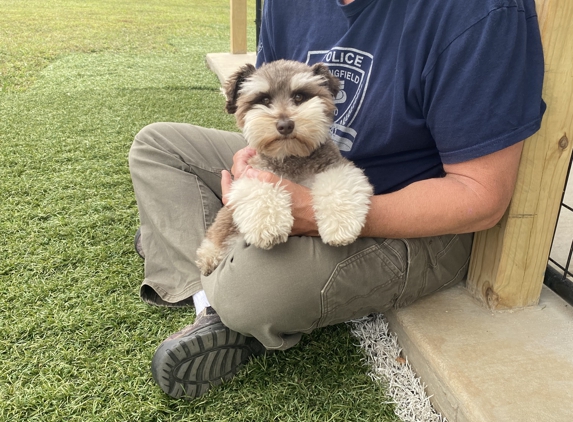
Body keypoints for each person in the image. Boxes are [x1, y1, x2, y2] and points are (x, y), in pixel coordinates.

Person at [129, 0, 545, 400]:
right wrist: (249, 162)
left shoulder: (482, 10)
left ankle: (190, 253)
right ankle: (206, 303)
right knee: (158, 146)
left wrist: (308, 212)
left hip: (411, 211)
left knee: (253, 289)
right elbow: (269, 106)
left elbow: (481, 196)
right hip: (296, 160)